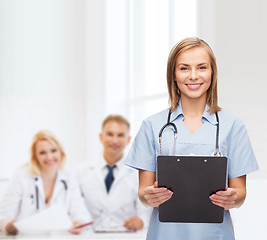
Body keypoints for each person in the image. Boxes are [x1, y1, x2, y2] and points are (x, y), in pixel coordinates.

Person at [125, 37, 259, 239]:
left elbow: (240, 194)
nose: (194, 76)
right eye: (184, 68)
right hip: (165, 234)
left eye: (202, 67)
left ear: (212, 73)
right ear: (174, 74)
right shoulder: (152, 126)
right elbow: (143, 194)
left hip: (215, 234)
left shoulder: (233, 126)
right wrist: (150, 195)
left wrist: (231, 198)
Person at [0, 130, 91, 235]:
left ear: (61, 152)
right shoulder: (21, 177)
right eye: (42, 153)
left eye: (53, 150)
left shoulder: (69, 178)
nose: (49, 157)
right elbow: (2, 217)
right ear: (35, 156)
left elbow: (81, 213)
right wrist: (9, 226)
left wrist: (79, 223)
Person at [73, 114, 150, 231]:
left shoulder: (138, 173)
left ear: (128, 139)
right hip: (91, 236)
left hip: (126, 236)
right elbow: (75, 206)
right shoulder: (80, 171)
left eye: (120, 135)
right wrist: (79, 221)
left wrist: (141, 221)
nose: (115, 140)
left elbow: (146, 211)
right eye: (110, 134)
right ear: (101, 137)